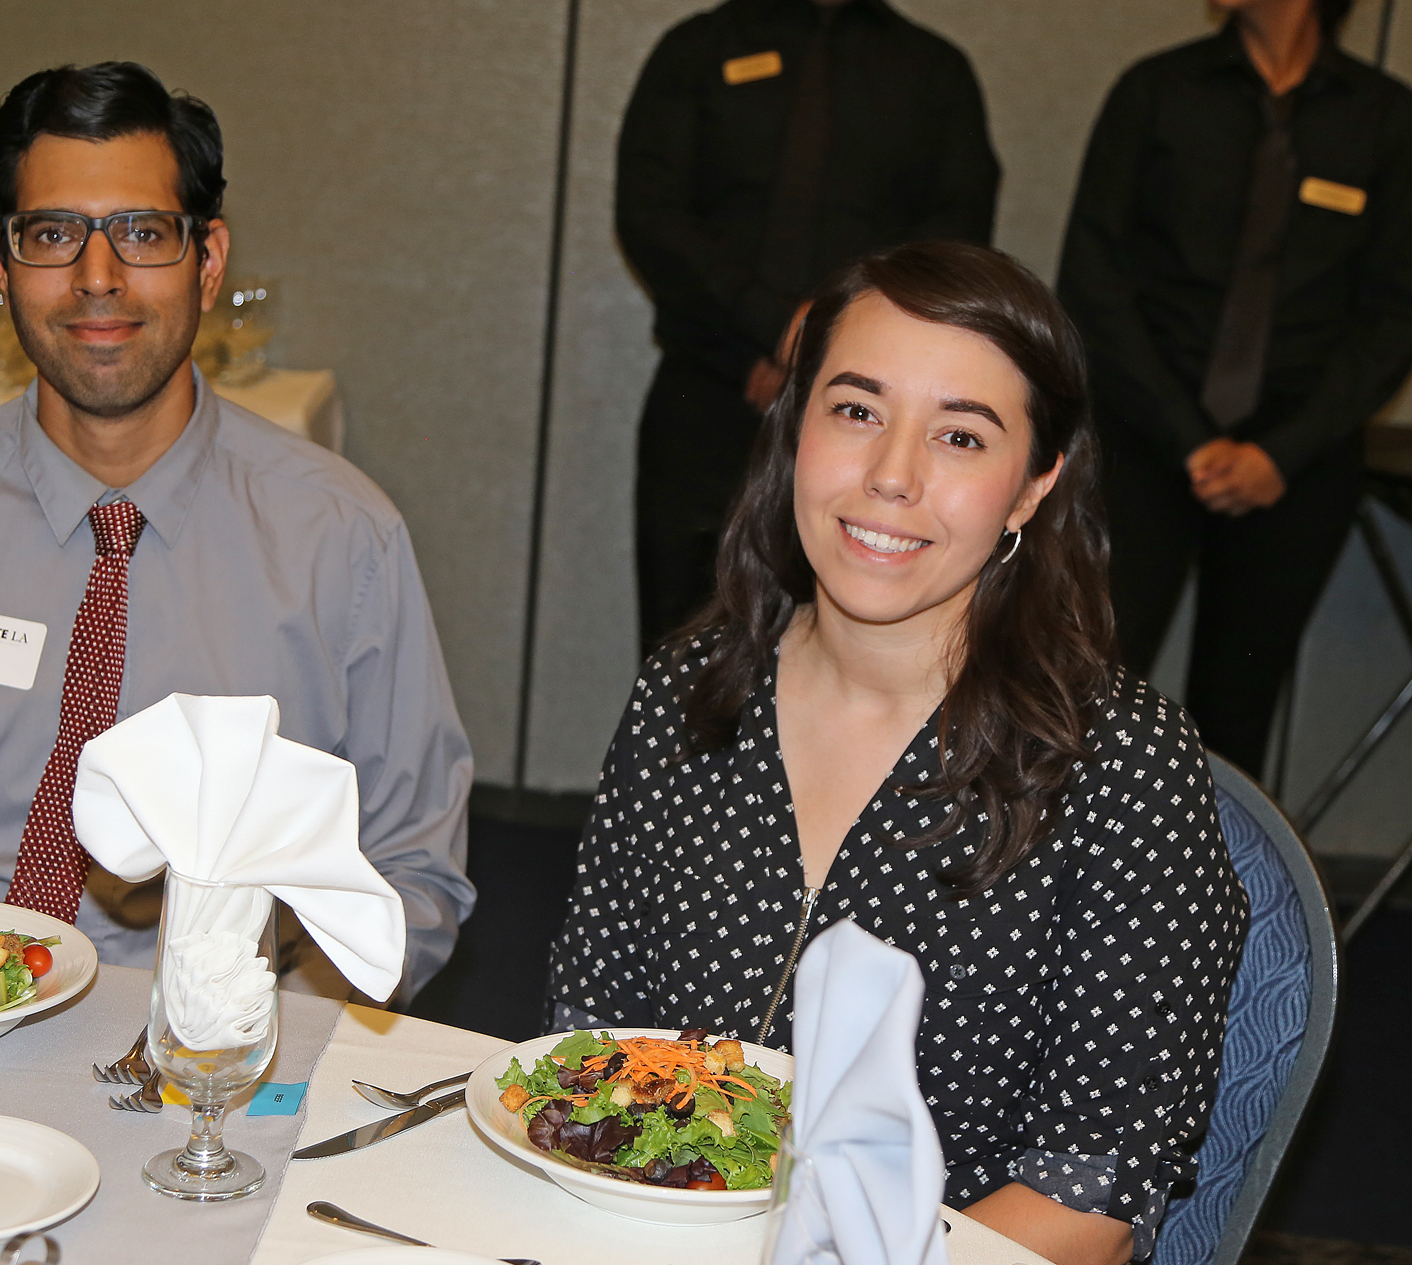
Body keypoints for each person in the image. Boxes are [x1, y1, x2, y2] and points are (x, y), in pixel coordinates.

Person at [547, 242, 1247, 1265]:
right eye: (858, 410)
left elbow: (1088, 1196)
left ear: (1032, 486)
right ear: (794, 429)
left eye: (962, 437)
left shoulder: (1123, 766)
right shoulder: (691, 692)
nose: (891, 475)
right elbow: (590, 1045)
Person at [0, 63, 474, 997]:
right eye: (53, 235)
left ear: (208, 262)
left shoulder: (342, 539)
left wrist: (251, 1041)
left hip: (220, 1052)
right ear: (1, 260)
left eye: (142, 234)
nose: (98, 278)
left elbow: (412, 878)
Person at [1056, 0, 1412, 775]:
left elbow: (1394, 315)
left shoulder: (1386, 119)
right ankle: (1054, 884)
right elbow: (1092, 276)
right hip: (1148, 436)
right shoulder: (1156, 92)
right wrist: (1191, 438)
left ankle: (1210, 892)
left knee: (1236, 714)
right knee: (1086, 683)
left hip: (1297, 455)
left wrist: (1278, 452)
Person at [618, 0, 1000, 650]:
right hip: (710, 391)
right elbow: (651, 213)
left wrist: (824, 339)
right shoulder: (699, 48)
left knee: (842, 646)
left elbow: (954, 240)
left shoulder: (934, 72)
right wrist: (775, 327)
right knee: (681, 645)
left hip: (872, 423)